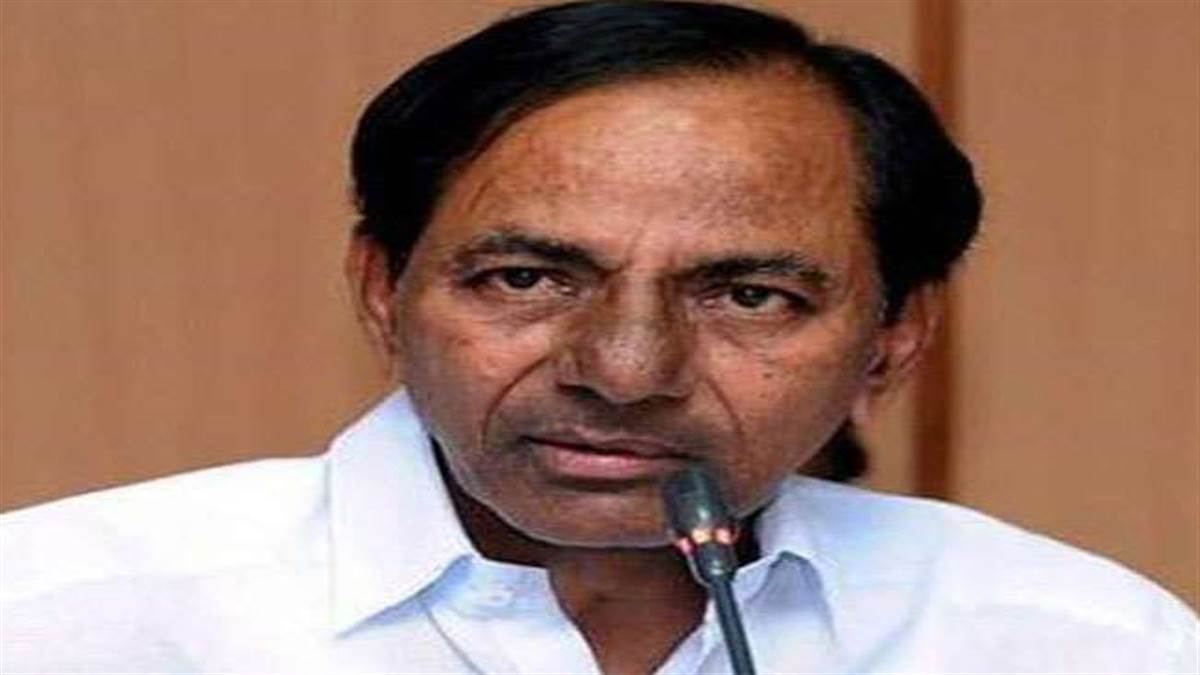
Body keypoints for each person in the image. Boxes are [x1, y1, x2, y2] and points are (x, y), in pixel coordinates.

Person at [2, 1, 1196, 673]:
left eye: (748, 297)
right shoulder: (57, 620)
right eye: (527, 278)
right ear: (381, 288)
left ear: (891, 338)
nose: (625, 373)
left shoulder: (1075, 646)